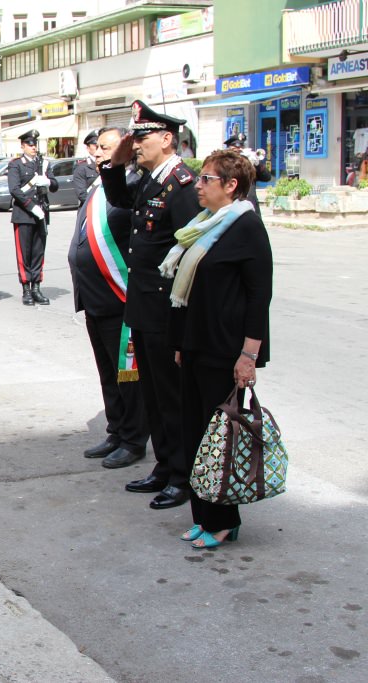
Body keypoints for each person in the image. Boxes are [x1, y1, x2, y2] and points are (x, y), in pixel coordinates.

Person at [160, 150, 272, 548]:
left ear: (231, 186)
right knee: (194, 435)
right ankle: (203, 516)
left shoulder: (246, 226)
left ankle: (225, 520)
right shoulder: (203, 225)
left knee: (219, 441)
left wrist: (249, 356)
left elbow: (259, 298)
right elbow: (185, 294)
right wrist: (179, 343)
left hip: (225, 350)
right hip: (195, 346)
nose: (199, 186)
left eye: (208, 179)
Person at [100, 100, 202, 510]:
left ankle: (182, 476)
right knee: (155, 395)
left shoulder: (180, 184)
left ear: (166, 138)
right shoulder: (148, 178)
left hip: (164, 310)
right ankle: (164, 466)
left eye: (142, 137)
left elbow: (189, 256)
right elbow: (120, 199)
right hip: (142, 304)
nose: (136, 144)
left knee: (172, 396)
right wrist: (113, 163)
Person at [68, 127, 150, 469]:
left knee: (127, 374)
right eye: (97, 148)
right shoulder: (97, 184)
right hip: (94, 296)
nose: (98, 153)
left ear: (126, 150)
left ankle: (133, 440)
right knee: (107, 372)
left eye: (106, 148)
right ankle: (116, 430)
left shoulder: (132, 184)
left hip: (118, 296)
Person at [8, 129, 59, 306]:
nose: (33, 147)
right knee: (24, 253)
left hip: (41, 214)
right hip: (23, 215)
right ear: (23, 146)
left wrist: (48, 181)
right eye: (30, 144)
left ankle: (36, 286)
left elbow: (55, 185)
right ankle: (26, 289)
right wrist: (31, 207)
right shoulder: (16, 165)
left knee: (38, 252)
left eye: (34, 144)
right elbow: (14, 189)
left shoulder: (43, 164)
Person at [224, 133, 272, 215]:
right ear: (229, 148)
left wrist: (257, 164)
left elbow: (267, 177)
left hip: (251, 206)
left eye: (241, 147)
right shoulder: (224, 163)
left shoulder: (249, 162)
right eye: (235, 147)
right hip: (233, 206)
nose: (238, 149)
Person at [72, 129, 100, 204]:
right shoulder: (81, 167)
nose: (98, 147)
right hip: (90, 207)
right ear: (87, 148)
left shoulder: (109, 164)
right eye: (95, 145)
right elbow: (82, 195)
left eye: (100, 145)